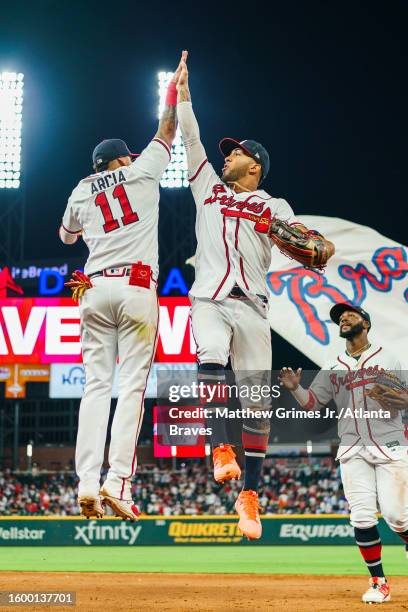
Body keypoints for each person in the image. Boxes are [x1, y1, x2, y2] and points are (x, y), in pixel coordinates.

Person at [176, 52, 334, 539]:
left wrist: (297, 237)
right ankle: (220, 449)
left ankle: (251, 497)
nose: (228, 155)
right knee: (209, 355)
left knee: (258, 409)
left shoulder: (272, 204)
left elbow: (315, 249)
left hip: (253, 306)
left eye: (237, 152)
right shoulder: (206, 185)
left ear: (255, 165)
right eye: (228, 150)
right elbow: (192, 138)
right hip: (208, 297)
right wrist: (182, 95)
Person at [59, 53, 185, 521]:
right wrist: (171, 90)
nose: (132, 155)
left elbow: (66, 235)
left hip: (91, 291)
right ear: (120, 158)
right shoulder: (141, 169)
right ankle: (117, 482)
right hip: (135, 289)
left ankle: (86, 481)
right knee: (131, 387)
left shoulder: (79, 188)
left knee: (95, 388)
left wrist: (83, 230)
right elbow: (167, 130)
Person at [279, 302, 408, 603]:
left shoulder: (386, 356)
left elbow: (405, 398)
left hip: (389, 444)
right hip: (352, 447)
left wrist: (395, 396)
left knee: (397, 516)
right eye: (340, 318)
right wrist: (296, 388)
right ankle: (378, 582)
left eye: (351, 315)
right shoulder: (334, 364)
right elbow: (312, 403)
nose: (344, 319)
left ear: (366, 323)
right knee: (361, 517)